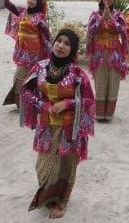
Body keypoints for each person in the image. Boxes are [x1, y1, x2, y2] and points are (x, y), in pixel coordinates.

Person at [21, 27, 95, 219]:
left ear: (73, 49)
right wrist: (43, 105)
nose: (61, 46)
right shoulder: (41, 67)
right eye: (59, 41)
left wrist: (67, 103)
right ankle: (49, 194)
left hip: (69, 129)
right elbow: (26, 91)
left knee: (65, 165)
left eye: (67, 44)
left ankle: (62, 201)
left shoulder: (78, 74)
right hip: (46, 125)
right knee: (42, 166)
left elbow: (88, 101)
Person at [3, 0, 52, 108]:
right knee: (19, 77)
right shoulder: (22, 12)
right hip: (21, 51)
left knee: (29, 77)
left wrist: (53, 54)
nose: (30, 0)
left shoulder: (40, 19)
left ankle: (27, 104)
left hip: (34, 53)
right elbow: (8, 5)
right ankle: (22, 103)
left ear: (39, 2)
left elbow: (47, 37)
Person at [86, 0, 129, 121]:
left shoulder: (119, 15)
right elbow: (91, 32)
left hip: (115, 54)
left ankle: (109, 114)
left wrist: (110, 17)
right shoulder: (94, 15)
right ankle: (99, 114)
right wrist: (101, 19)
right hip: (99, 54)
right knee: (100, 80)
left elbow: (123, 31)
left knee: (113, 82)